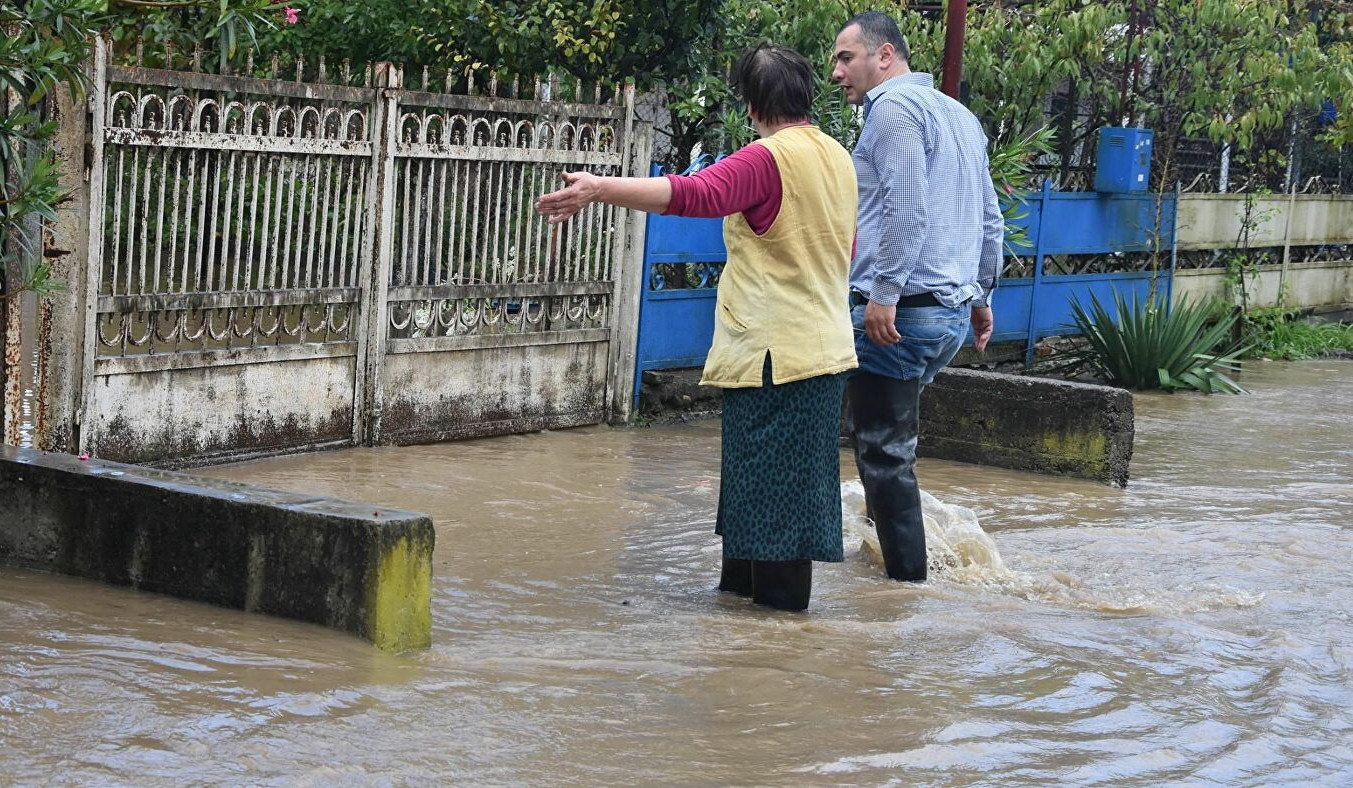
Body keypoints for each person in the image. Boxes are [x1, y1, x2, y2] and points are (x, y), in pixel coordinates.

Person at [537, 43, 858, 611]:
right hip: (822, 353)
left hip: (774, 361)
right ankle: (743, 635)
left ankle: (776, 644)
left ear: (752, 106)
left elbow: (693, 193)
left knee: (775, 516)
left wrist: (600, 188)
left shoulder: (766, 159)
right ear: (806, 95)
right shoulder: (837, 157)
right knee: (765, 504)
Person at [831, 11, 1003, 583]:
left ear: (885, 56)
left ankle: (906, 591)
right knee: (887, 448)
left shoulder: (892, 110)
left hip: (902, 314)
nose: (836, 73)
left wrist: (884, 295)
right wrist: (981, 296)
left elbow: (907, 209)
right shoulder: (959, 115)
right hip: (948, 316)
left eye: (845, 58)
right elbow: (990, 218)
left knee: (884, 454)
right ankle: (886, 564)